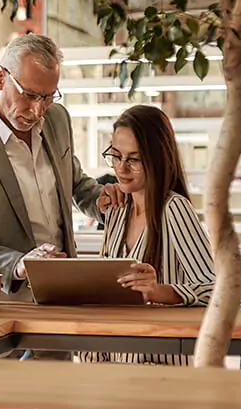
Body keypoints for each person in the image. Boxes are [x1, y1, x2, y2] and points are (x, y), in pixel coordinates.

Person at [0, 33, 125, 304]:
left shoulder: (57, 119)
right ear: (0, 78)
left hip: (63, 292)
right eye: (31, 95)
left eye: (48, 97)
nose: (38, 111)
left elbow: (75, 183)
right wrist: (20, 264)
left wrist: (101, 201)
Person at [79, 105, 215, 366]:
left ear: (157, 159)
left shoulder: (173, 209)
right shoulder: (117, 210)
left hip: (158, 369)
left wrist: (157, 292)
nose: (121, 168)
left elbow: (212, 291)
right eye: (116, 156)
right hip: (111, 365)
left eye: (134, 160)